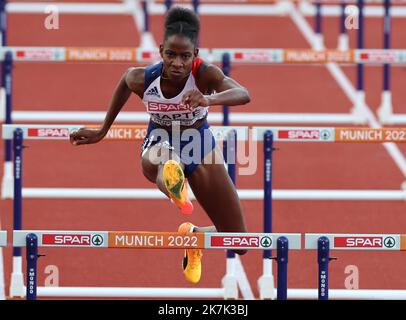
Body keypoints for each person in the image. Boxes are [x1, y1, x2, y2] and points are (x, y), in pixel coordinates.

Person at [70, 6, 250, 284]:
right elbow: (124, 82)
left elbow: (243, 93)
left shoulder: (204, 75)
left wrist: (208, 99)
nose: (177, 63)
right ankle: (173, 182)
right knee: (161, 160)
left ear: (195, 55)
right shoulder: (143, 78)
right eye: (171, 55)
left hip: (200, 142)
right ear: (161, 50)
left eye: (185, 56)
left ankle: (195, 237)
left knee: (239, 241)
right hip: (161, 138)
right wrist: (102, 130)